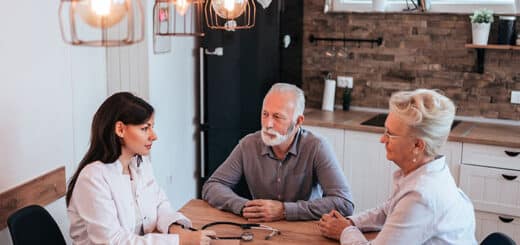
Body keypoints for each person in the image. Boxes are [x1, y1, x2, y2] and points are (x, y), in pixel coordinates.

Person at [318, 89, 477, 245]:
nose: (382, 139)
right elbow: (388, 210)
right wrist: (350, 222)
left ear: (417, 145)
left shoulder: (420, 196)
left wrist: (344, 231)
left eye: (390, 134)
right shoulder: (428, 172)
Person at [66, 92, 214, 245]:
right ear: (120, 130)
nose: (153, 136)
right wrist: (178, 241)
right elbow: (112, 241)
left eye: (152, 127)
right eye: (145, 128)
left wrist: (175, 228)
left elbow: (159, 203)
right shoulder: (92, 178)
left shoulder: (140, 164)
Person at [202, 83, 354, 222]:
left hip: (305, 231)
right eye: (265, 114)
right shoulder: (248, 145)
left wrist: (284, 211)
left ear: (298, 121)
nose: (268, 124)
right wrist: (245, 207)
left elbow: (344, 203)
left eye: (277, 117)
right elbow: (212, 186)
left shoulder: (317, 147)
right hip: (261, 229)